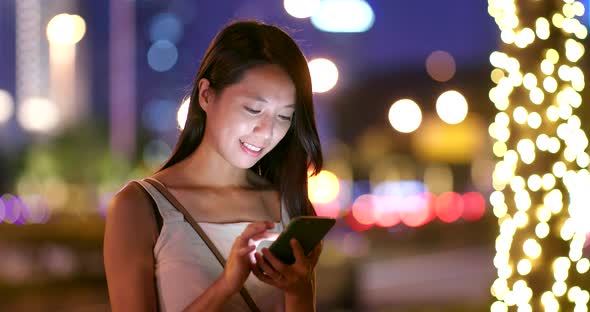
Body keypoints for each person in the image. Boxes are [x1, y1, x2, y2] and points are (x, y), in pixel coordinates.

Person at [103, 20, 324, 312]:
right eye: (253, 109)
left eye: (284, 117)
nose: (266, 131)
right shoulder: (139, 207)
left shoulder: (287, 205)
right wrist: (226, 285)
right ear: (206, 94)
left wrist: (299, 291)